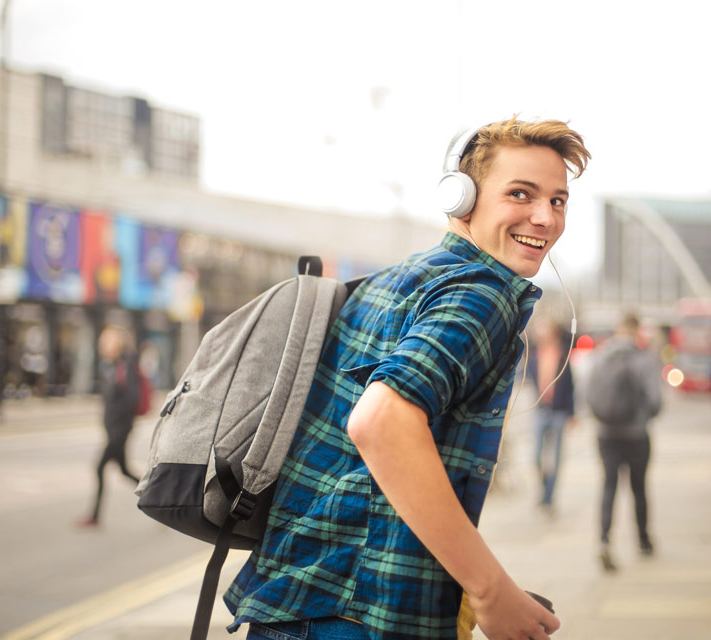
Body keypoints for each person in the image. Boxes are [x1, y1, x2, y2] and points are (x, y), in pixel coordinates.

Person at [224, 117, 590, 640]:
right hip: (357, 615)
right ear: (462, 198)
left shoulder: (393, 280)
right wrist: (490, 590)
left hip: (296, 602)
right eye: (520, 194)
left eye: (558, 201)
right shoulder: (480, 292)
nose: (545, 218)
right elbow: (379, 422)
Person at [591, 312, 662, 572]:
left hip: (606, 433)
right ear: (636, 330)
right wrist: (644, 417)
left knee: (608, 486)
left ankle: (604, 541)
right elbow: (655, 399)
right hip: (636, 434)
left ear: (618, 328)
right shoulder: (646, 357)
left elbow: (587, 392)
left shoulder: (601, 354)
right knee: (639, 488)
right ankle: (643, 541)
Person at [76, 325, 141, 527]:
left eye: (107, 341)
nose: (102, 345)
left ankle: (94, 516)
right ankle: (160, 500)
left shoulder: (125, 366)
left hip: (119, 431)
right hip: (114, 430)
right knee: (124, 471)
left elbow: (132, 399)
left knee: (99, 467)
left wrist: (116, 424)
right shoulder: (110, 366)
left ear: (118, 344)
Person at [525, 316, 575, 516]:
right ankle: (544, 489)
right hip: (541, 410)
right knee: (536, 456)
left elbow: (571, 385)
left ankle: (549, 497)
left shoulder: (563, 354)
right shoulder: (534, 355)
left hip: (559, 412)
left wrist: (572, 413)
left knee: (556, 457)